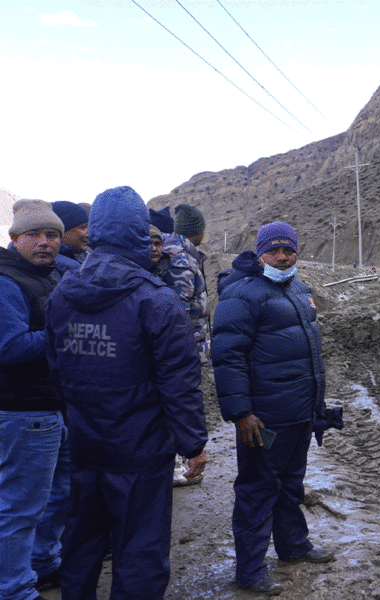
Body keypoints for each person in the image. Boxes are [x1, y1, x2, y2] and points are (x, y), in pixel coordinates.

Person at [44, 186, 208, 600]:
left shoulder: (63, 293)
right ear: (140, 231)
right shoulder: (155, 300)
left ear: (94, 230)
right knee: (140, 552)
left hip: (84, 447)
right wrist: (193, 444)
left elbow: (56, 370)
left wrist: (76, 422)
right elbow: (179, 381)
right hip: (140, 453)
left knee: (81, 545)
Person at [213, 221, 340, 596]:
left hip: (298, 414)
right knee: (257, 491)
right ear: (260, 252)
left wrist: (316, 407)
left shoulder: (299, 290)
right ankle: (250, 571)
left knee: (290, 485)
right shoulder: (243, 294)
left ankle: (293, 547)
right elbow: (228, 357)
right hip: (263, 419)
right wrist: (241, 413)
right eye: (275, 250)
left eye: (289, 250)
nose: (283, 257)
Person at [0, 200, 71, 600]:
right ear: (15, 238)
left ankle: (44, 564)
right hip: (23, 411)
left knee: (59, 494)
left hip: (52, 407)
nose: (45, 243)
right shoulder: (7, 281)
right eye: (35, 235)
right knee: (20, 507)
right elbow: (7, 346)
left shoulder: (46, 276)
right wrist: (67, 333)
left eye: (52, 235)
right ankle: (13, 589)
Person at [161, 203, 210, 486]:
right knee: (178, 404)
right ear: (197, 231)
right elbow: (176, 312)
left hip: (185, 348)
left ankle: (180, 458)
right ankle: (176, 465)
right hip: (183, 349)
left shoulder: (178, 252)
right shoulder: (181, 259)